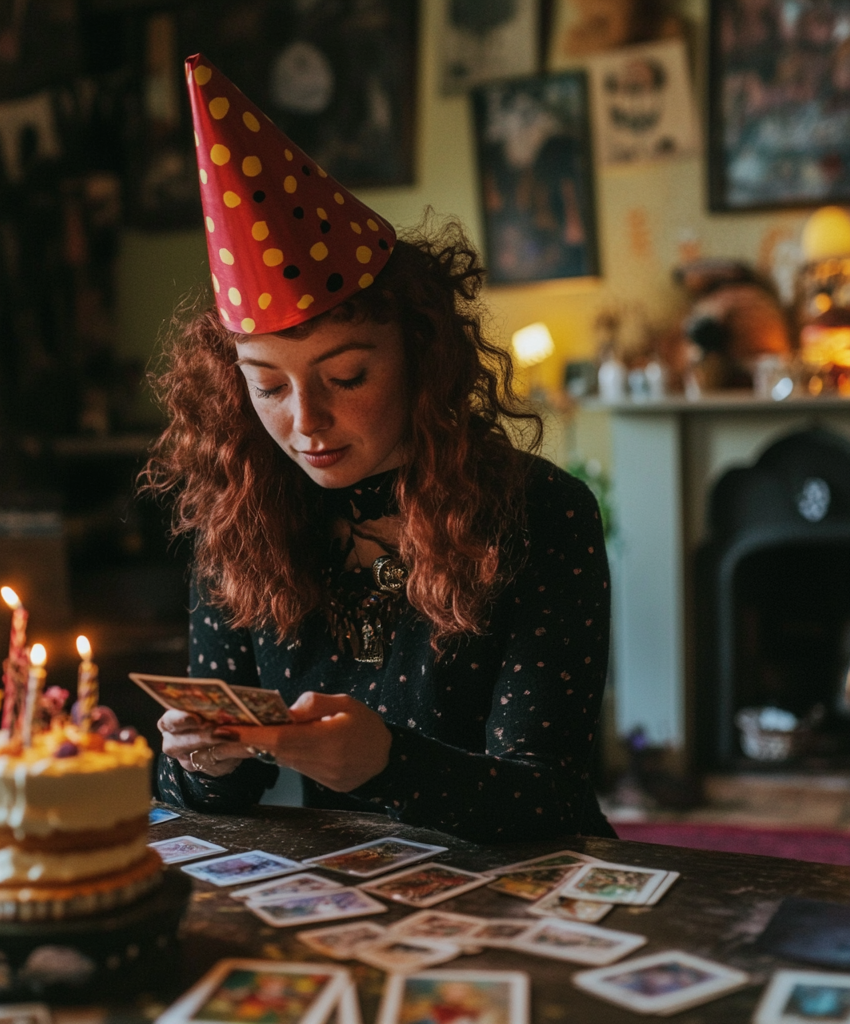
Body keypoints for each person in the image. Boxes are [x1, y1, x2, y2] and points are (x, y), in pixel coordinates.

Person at [142, 55, 613, 844]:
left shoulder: (543, 514)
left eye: (347, 375)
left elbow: (554, 802)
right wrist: (203, 766)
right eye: (268, 386)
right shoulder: (240, 518)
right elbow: (213, 797)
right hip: (339, 894)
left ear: (422, 356)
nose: (307, 422)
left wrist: (388, 764)